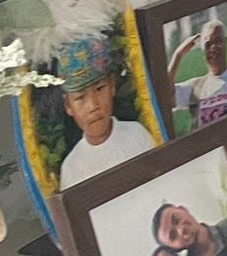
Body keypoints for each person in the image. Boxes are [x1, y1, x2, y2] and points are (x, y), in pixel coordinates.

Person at [54, 36, 154, 190]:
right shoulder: (72, 167)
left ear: (112, 86)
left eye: (100, 89)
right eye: (80, 97)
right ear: (68, 106)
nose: (93, 106)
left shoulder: (136, 134)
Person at [172, 21, 227, 133]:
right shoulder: (195, 87)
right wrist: (178, 55)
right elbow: (164, 97)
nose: (213, 48)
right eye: (208, 45)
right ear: (203, 51)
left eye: (218, 41)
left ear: (226, 42)